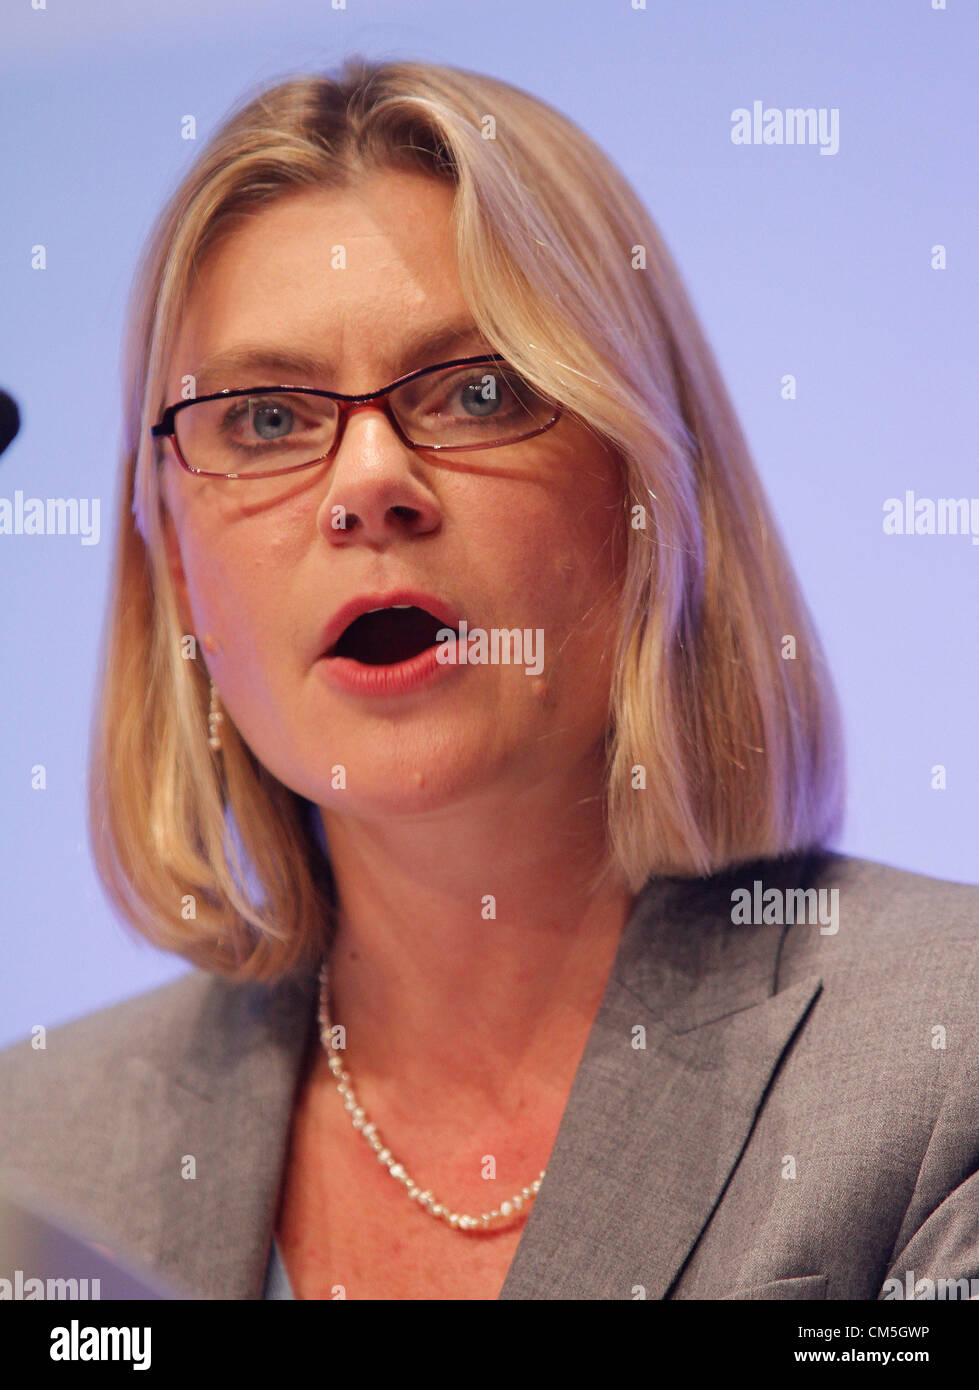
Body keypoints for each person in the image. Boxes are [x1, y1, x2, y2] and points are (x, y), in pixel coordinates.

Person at [0, 56, 976, 1303]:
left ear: (649, 496)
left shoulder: (946, 1061)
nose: (366, 485)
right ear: (180, 567)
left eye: (477, 390)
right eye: (263, 419)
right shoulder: (34, 1153)